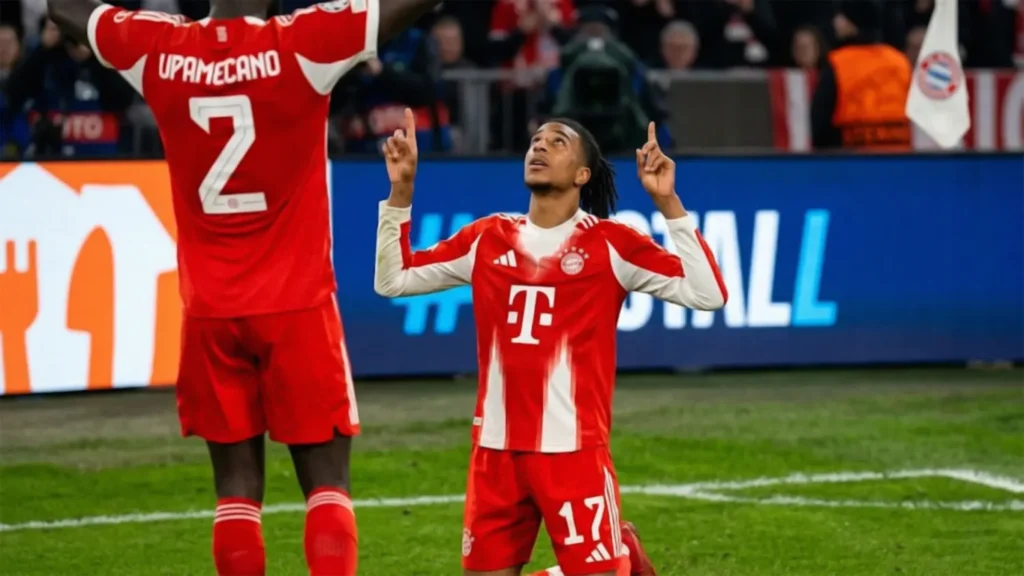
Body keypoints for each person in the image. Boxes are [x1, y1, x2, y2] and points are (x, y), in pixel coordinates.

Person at [45, 1, 442, 575]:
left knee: (235, 490)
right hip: (297, 303)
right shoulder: (304, 42)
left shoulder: (159, 50)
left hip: (210, 310)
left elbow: (62, 9)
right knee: (327, 484)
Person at [375, 109, 727, 576]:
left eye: (558, 141)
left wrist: (669, 204)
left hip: (573, 450)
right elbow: (393, 280)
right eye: (536, 140)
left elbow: (708, 294)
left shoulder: (611, 244)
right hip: (495, 451)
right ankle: (622, 556)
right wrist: (400, 193)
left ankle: (620, 558)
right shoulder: (487, 237)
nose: (539, 146)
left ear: (582, 174)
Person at [810, 0, 911, 151]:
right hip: (900, 155)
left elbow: (820, 121)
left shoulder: (838, 62)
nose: (835, 21)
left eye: (841, 16)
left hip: (850, 156)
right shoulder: (900, 61)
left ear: (853, 23)